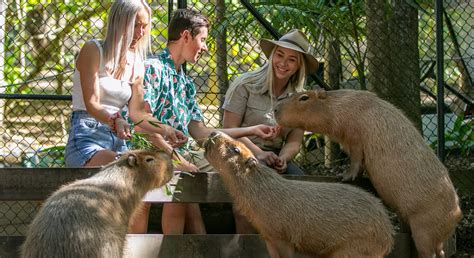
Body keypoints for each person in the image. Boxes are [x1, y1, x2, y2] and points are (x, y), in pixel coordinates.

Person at [128, 8, 278, 234]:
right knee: (181, 186)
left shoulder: (185, 83)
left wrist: (252, 129)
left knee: (241, 166)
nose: (206, 47)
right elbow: (143, 126)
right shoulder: (152, 69)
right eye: (203, 39)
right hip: (153, 150)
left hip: (186, 152)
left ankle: (246, 244)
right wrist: (177, 159)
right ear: (186, 36)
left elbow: (198, 132)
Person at [65, 0, 186, 168]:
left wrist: (166, 129)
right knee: (123, 168)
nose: (141, 33)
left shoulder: (137, 62)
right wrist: (115, 120)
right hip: (88, 135)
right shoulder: (93, 49)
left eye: (144, 26)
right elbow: (92, 104)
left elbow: (138, 114)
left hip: (119, 140)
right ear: (119, 22)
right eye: (136, 26)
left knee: (140, 170)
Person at [222, 29, 319, 233]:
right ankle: (246, 249)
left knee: (302, 187)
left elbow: (294, 141)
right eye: (280, 55)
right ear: (272, 55)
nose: (283, 63)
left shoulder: (300, 98)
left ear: (299, 65)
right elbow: (228, 131)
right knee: (246, 201)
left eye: (292, 59)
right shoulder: (245, 84)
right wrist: (258, 154)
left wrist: (283, 158)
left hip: (274, 158)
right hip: (240, 153)